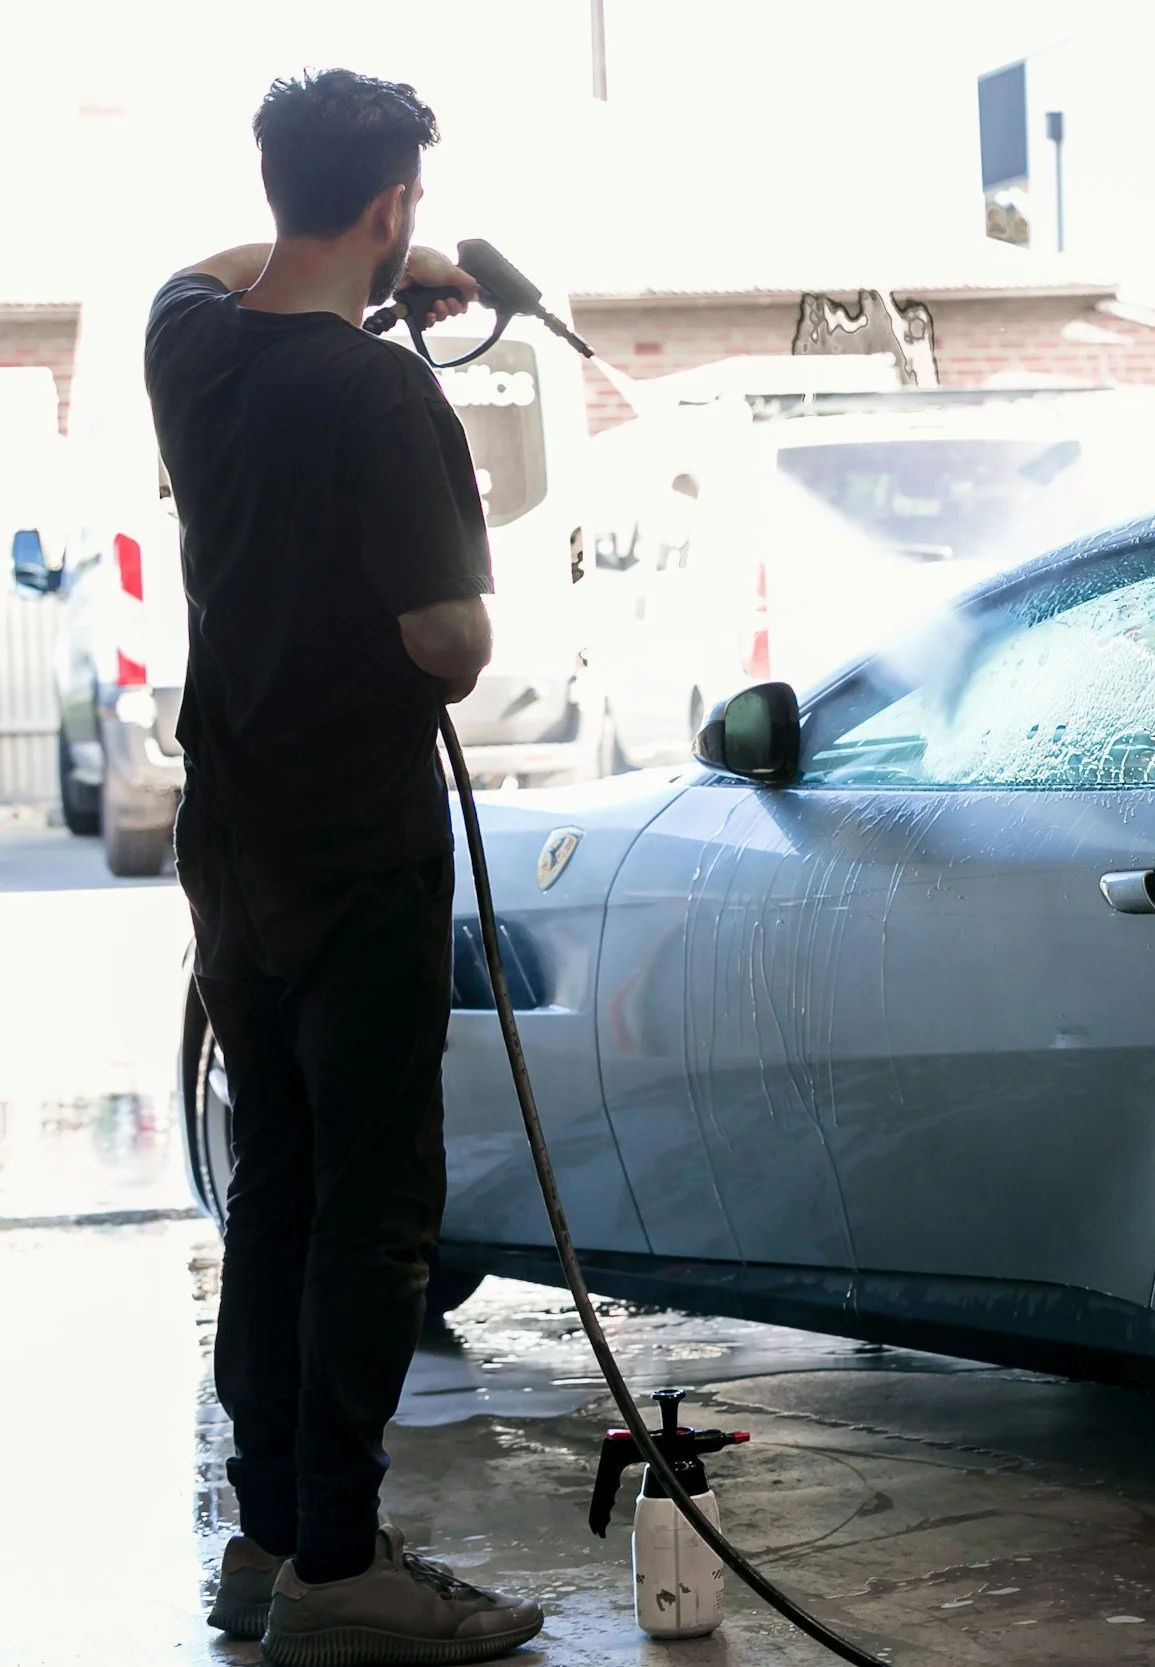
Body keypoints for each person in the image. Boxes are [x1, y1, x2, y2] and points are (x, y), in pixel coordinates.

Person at [145, 70, 543, 1665]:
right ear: (393, 208)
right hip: (358, 850)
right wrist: (396, 291)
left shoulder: (193, 349)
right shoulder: (388, 404)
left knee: (277, 1194)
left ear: (280, 185)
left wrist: (367, 270)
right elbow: (449, 644)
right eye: (406, 215)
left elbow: (213, 271)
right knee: (374, 1204)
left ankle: (263, 1541)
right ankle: (342, 1559)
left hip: (233, 845)